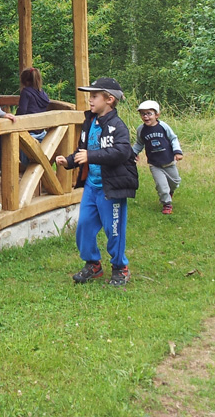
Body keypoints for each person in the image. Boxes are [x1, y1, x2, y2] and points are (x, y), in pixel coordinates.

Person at [56, 77, 139, 287]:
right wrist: (69, 161)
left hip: (111, 188)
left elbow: (122, 152)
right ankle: (93, 265)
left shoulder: (117, 126)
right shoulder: (89, 122)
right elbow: (83, 151)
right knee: (84, 226)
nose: (90, 100)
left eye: (94, 96)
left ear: (109, 99)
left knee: (114, 230)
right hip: (92, 187)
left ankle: (120, 268)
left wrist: (91, 156)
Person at [132, 99, 184, 215]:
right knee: (161, 185)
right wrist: (132, 153)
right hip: (154, 164)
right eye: (143, 114)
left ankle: (169, 192)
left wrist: (177, 151)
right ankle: (166, 203)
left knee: (175, 182)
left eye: (149, 113)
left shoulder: (163, 127)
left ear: (157, 115)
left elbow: (173, 138)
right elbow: (139, 143)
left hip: (169, 161)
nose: (146, 117)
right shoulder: (141, 130)